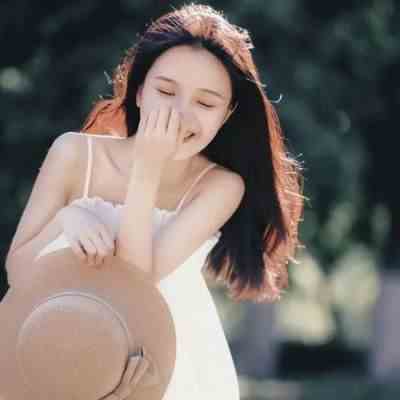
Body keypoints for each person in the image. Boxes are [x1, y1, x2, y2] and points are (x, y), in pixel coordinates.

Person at [5, 3, 305, 399]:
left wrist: (147, 167)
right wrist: (67, 219)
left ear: (227, 114)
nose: (180, 115)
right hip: (66, 347)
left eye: (205, 103)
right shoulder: (74, 153)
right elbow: (18, 273)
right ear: (140, 91)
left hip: (159, 362)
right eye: (165, 91)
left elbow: (134, 282)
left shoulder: (220, 186)